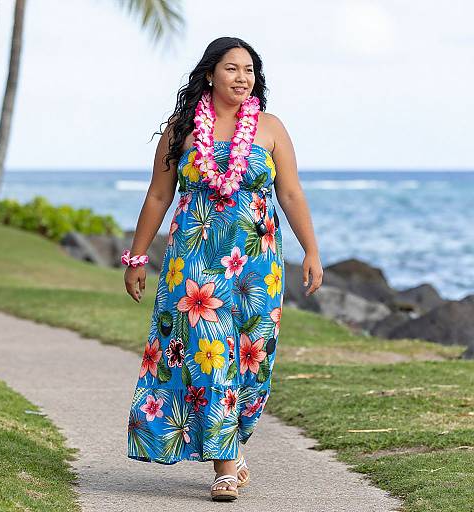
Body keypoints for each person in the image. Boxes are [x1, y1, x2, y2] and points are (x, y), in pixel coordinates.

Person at [123, 36, 323, 502]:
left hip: (257, 266)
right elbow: (158, 195)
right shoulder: (183, 129)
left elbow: (290, 194)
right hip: (194, 265)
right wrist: (136, 258)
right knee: (211, 358)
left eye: (249, 70)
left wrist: (311, 251)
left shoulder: (270, 128)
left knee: (255, 360)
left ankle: (231, 435)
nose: (242, 78)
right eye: (232, 68)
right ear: (210, 73)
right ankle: (225, 468)